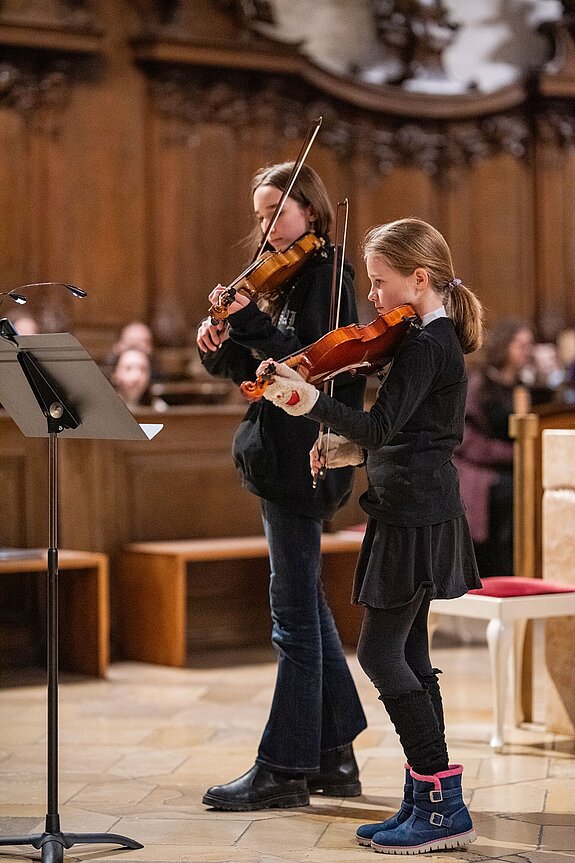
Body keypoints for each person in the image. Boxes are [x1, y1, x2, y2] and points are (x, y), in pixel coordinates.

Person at [255, 217, 483, 854]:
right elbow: (409, 435)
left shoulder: (429, 344)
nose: (374, 297)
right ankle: (426, 795)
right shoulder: (423, 340)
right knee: (407, 656)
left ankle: (442, 803)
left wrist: (307, 402)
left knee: (382, 657)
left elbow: (384, 429)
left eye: (381, 283)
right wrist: (343, 448)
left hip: (415, 515)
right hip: (412, 506)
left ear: (419, 278)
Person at [196, 161, 367, 811]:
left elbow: (308, 367)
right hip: (281, 456)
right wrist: (219, 342)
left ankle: (284, 768)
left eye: (277, 211)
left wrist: (248, 323)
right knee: (306, 610)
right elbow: (260, 369)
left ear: (312, 214)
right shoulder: (289, 279)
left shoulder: (327, 276)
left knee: (292, 617)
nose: (265, 225)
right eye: (260, 213)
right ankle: (334, 755)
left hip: (304, 461)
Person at [454, 319, 534, 578]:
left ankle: (525, 569)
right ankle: (502, 573)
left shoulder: (523, 389)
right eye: (520, 345)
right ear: (504, 346)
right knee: (511, 492)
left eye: (529, 345)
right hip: (479, 472)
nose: (526, 351)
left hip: (515, 466)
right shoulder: (479, 385)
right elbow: (467, 440)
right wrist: (515, 455)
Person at [111, 347, 167, 413]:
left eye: (143, 369)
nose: (136, 376)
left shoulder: (159, 408)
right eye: (128, 368)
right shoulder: (105, 406)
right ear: (115, 374)